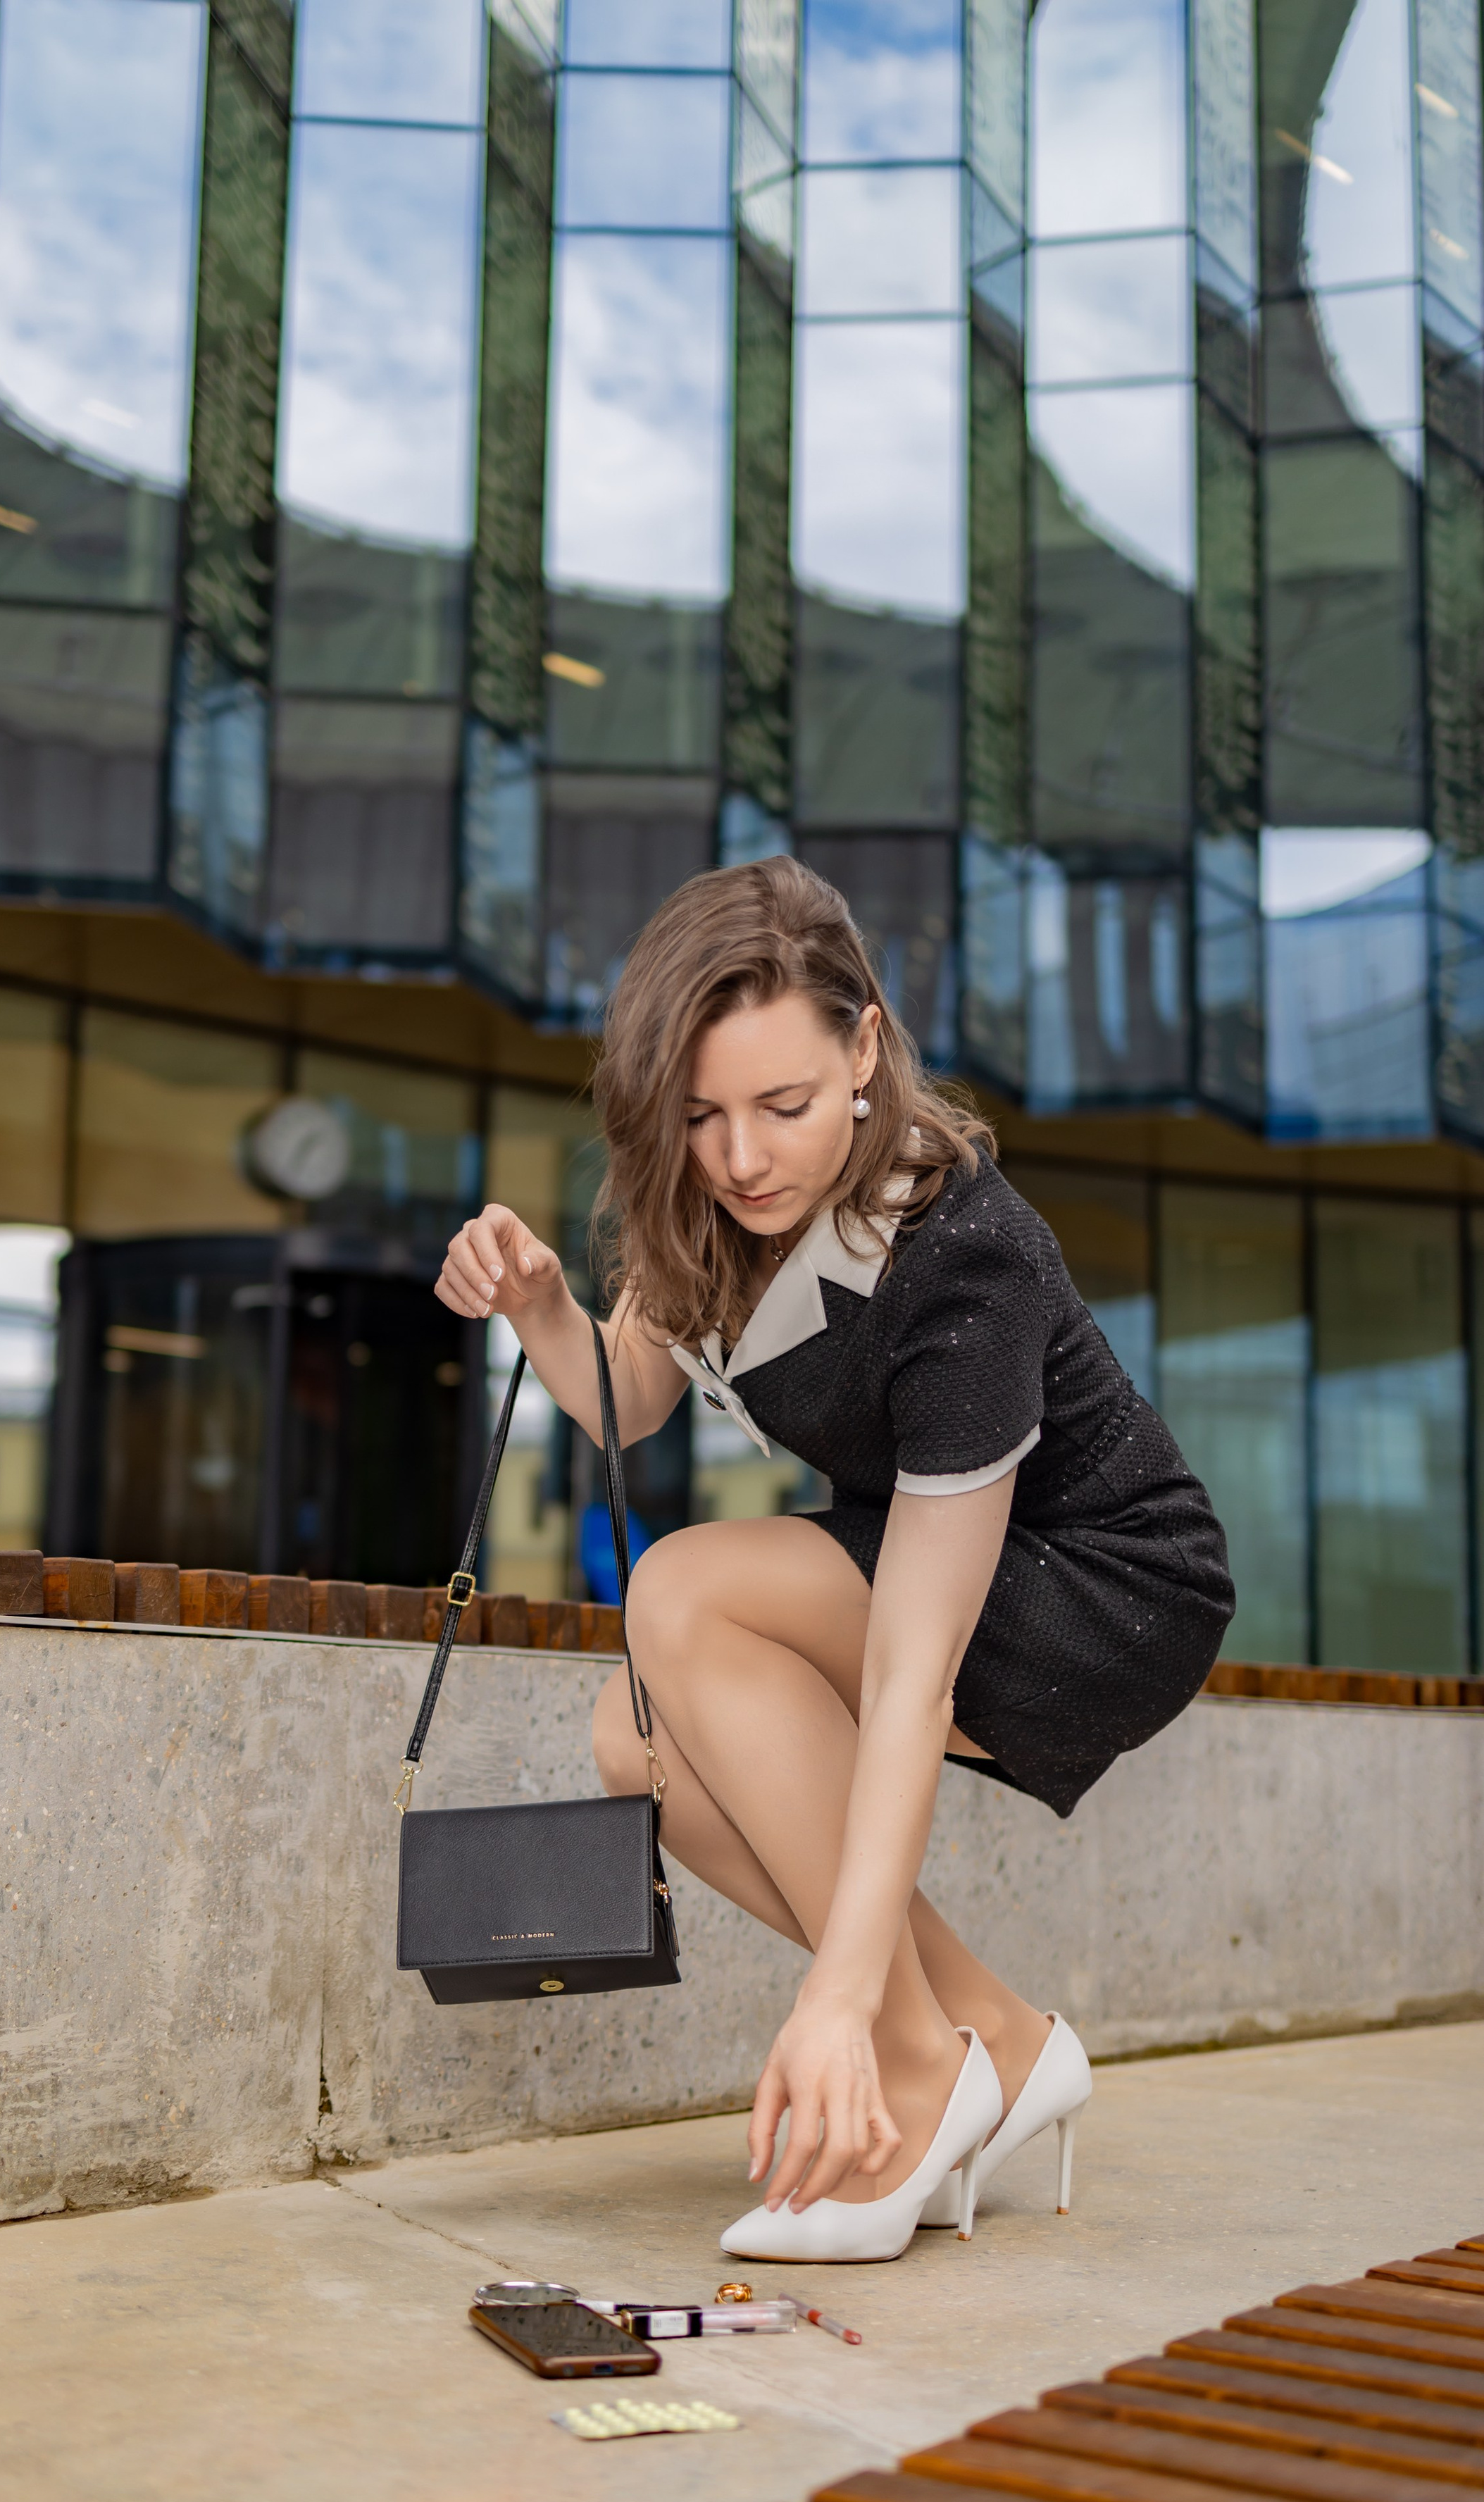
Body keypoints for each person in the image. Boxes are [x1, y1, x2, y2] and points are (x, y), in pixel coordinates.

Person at [435, 859, 1234, 2260]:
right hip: (943, 1567)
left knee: (678, 1586)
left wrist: (834, 2002)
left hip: (1107, 1586)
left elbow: (911, 1675)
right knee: (638, 1749)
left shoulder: (957, 1257)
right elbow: (629, 1395)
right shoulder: (709, 1212)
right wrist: (543, 1305)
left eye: (782, 1107)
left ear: (862, 1048)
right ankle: (995, 2037)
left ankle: (918, 2077)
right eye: (697, 1116)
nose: (740, 1155)